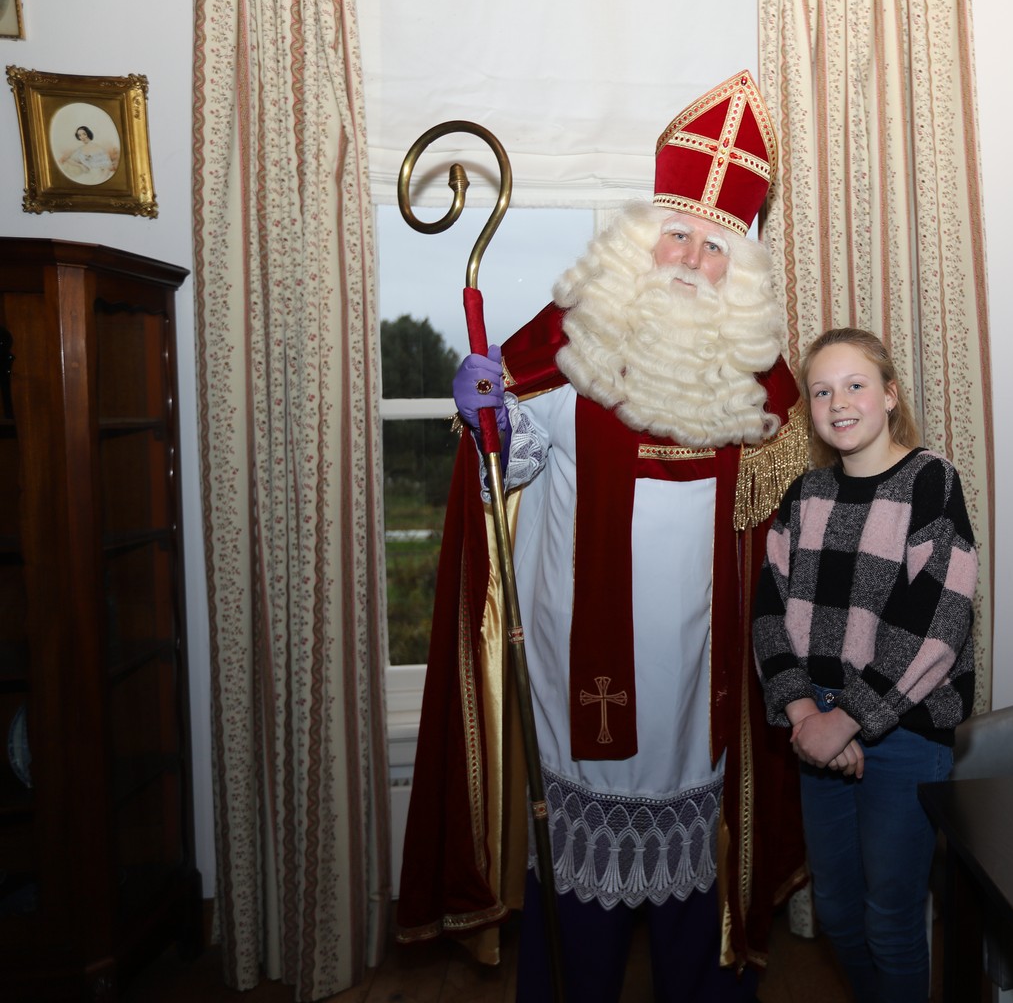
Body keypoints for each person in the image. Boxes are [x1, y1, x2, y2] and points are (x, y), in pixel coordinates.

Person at [395, 71, 808, 1001]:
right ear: (640, 236)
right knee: (576, 922)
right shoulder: (569, 342)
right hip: (579, 681)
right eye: (677, 233)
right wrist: (488, 417)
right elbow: (511, 461)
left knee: (695, 912)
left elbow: (787, 537)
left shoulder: (761, 387)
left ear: (740, 267)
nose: (689, 259)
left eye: (715, 245)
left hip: (701, 696)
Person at [752, 328, 978, 1002]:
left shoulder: (931, 481)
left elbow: (936, 621)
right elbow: (768, 611)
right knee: (838, 911)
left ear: (890, 395)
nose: (839, 402)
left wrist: (848, 718)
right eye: (822, 392)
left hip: (905, 730)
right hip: (816, 725)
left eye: (855, 385)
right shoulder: (804, 494)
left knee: (891, 919)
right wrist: (806, 713)